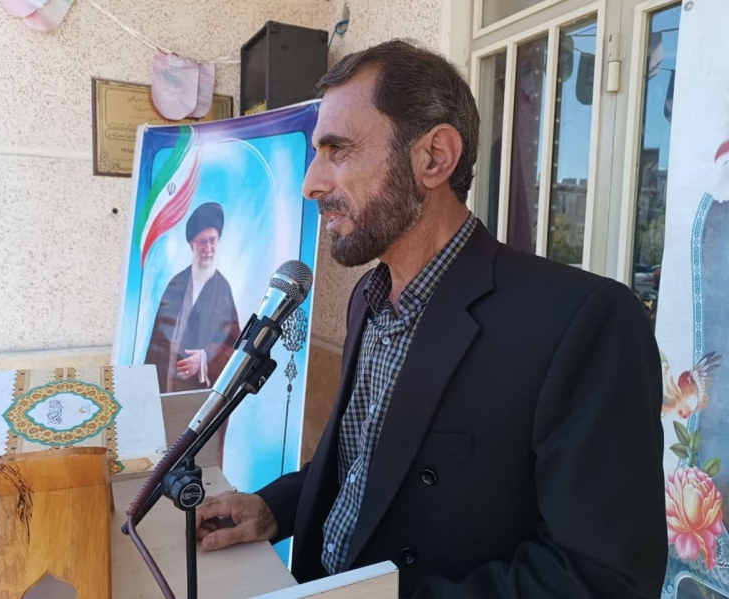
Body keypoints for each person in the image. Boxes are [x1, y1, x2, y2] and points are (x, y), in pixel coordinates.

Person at [194, 40, 668, 598]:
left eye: (337, 150)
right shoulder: (367, 298)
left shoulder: (583, 321)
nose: (311, 183)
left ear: (435, 158)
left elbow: (600, 578)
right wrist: (274, 508)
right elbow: (362, 464)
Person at [144, 201, 241, 465]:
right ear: (191, 245)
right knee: (162, 459)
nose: (208, 249)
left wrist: (205, 359)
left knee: (197, 463)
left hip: (202, 399)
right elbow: (156, 342)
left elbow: (234, 345)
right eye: (202, 242)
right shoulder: (175, 284)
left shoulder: (223, 290)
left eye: (213, 241)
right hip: (167, 392)